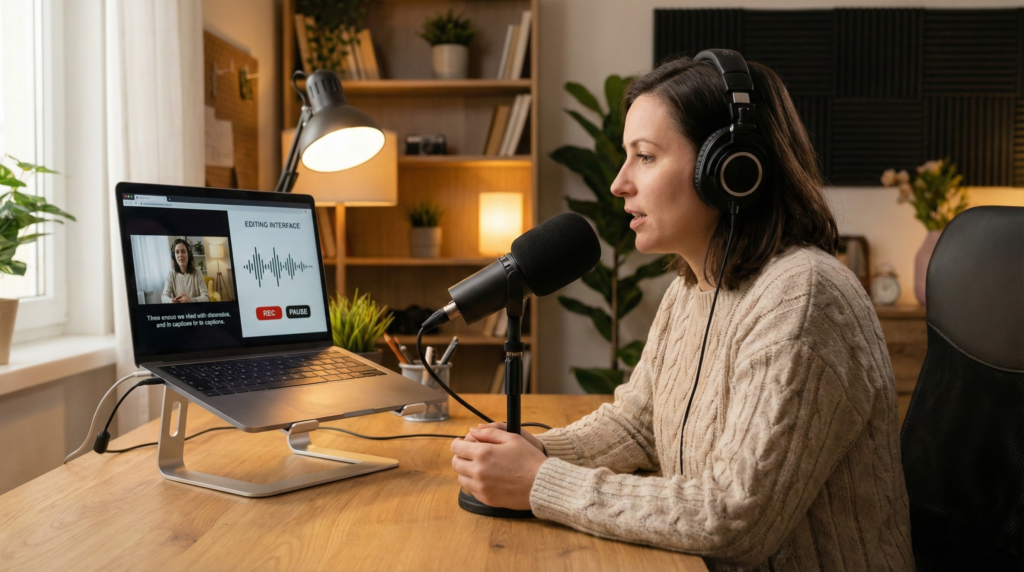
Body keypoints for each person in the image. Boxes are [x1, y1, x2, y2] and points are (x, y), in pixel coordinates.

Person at [451, 55, 914, 571]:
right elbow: (637, 425)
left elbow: (735, 518)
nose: (619, 184)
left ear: (731, 170)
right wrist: (533, 451)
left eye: (645, 157)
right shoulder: (692, 287)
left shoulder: (803, 298)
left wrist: (541, 481)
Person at [161, 238, 209, 303]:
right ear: (174, 256)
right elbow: (164, 296)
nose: (180, 255)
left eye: (183, 251)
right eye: (177, 252)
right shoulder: (171, 274)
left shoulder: (197, 272)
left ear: (188, 254)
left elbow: (206, 297)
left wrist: (191, 300)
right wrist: (170, 301)